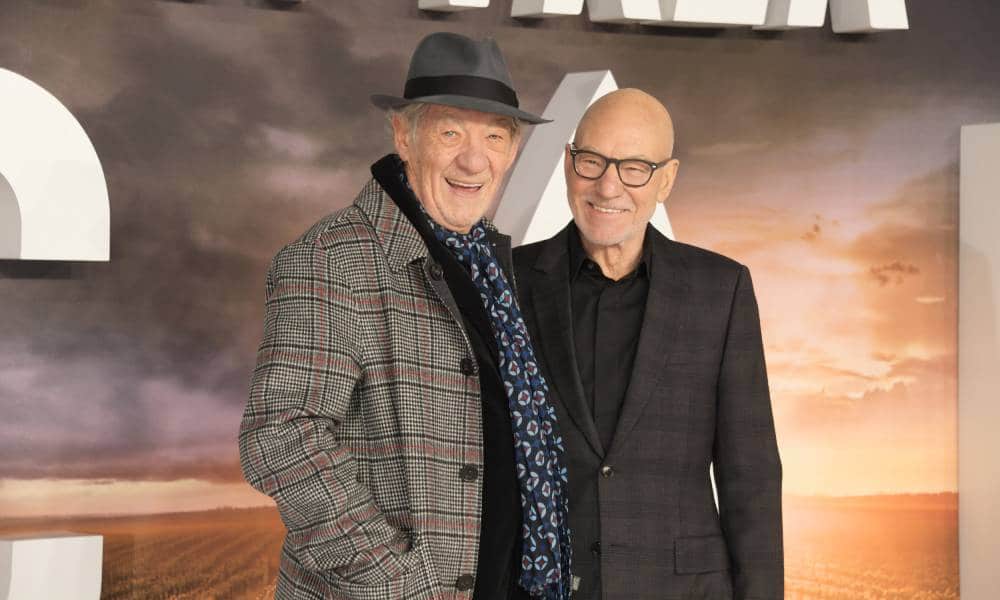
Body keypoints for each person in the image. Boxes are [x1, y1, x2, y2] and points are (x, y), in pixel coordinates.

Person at [239, 32, 572, 600]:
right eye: (450, 132)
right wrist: (398, 582)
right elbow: (281, 438)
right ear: (404, 136)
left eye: (494, 136)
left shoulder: (494, 264)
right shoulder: (332, 259)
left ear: (513, 150)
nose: (474, 159)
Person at [512, 89, 783, 600]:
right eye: (590, 161)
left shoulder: (720, 289)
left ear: (667, 179)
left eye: (634, 167)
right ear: (569, 163)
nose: (608, 185)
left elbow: (752, 476)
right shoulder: (510, 282)